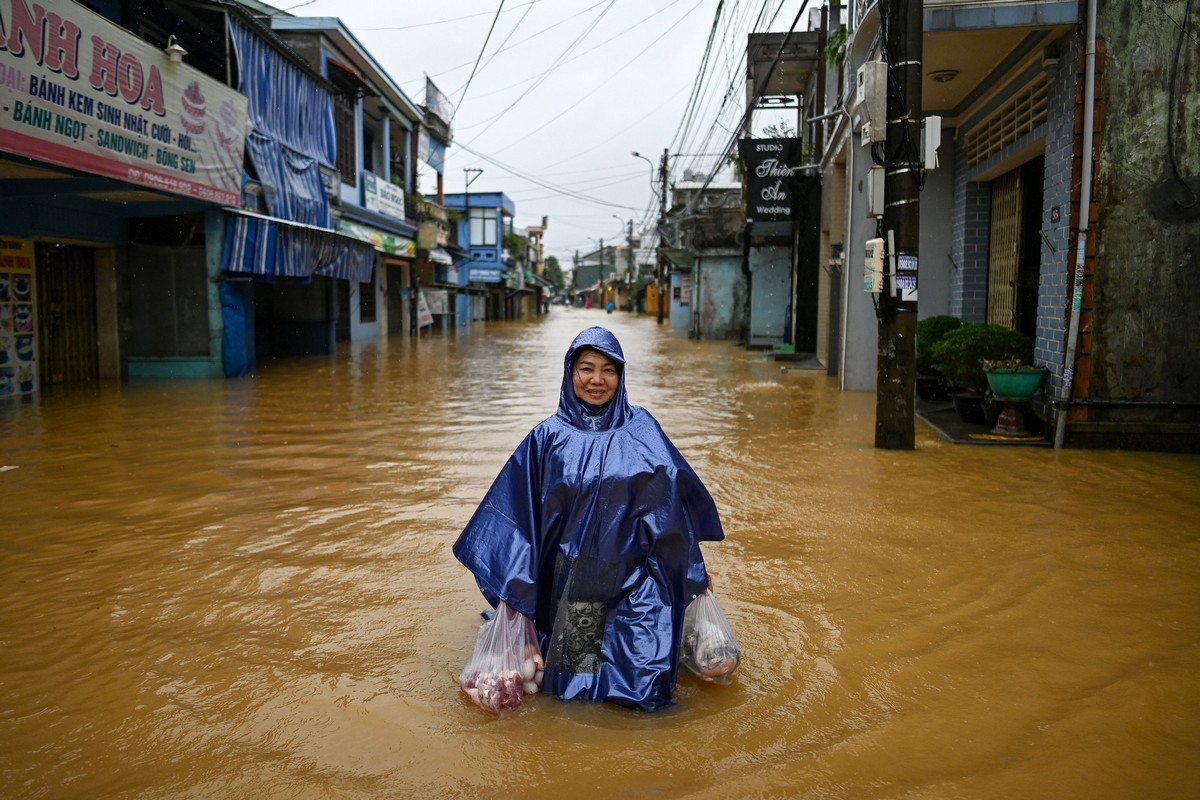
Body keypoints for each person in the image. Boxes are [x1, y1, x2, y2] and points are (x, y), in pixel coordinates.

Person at [453, 326, 725, 711]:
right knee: (575, 699)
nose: (597, 380)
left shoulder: (643, 430)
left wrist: (694, 573)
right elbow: (518, 519)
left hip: (641, 583)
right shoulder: (546, 439)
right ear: (571, 373)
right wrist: (512, 595)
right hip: (579, 586)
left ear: (621, 375)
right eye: (586, 369)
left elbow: (671, 511)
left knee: (646, 695)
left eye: (608, 370)